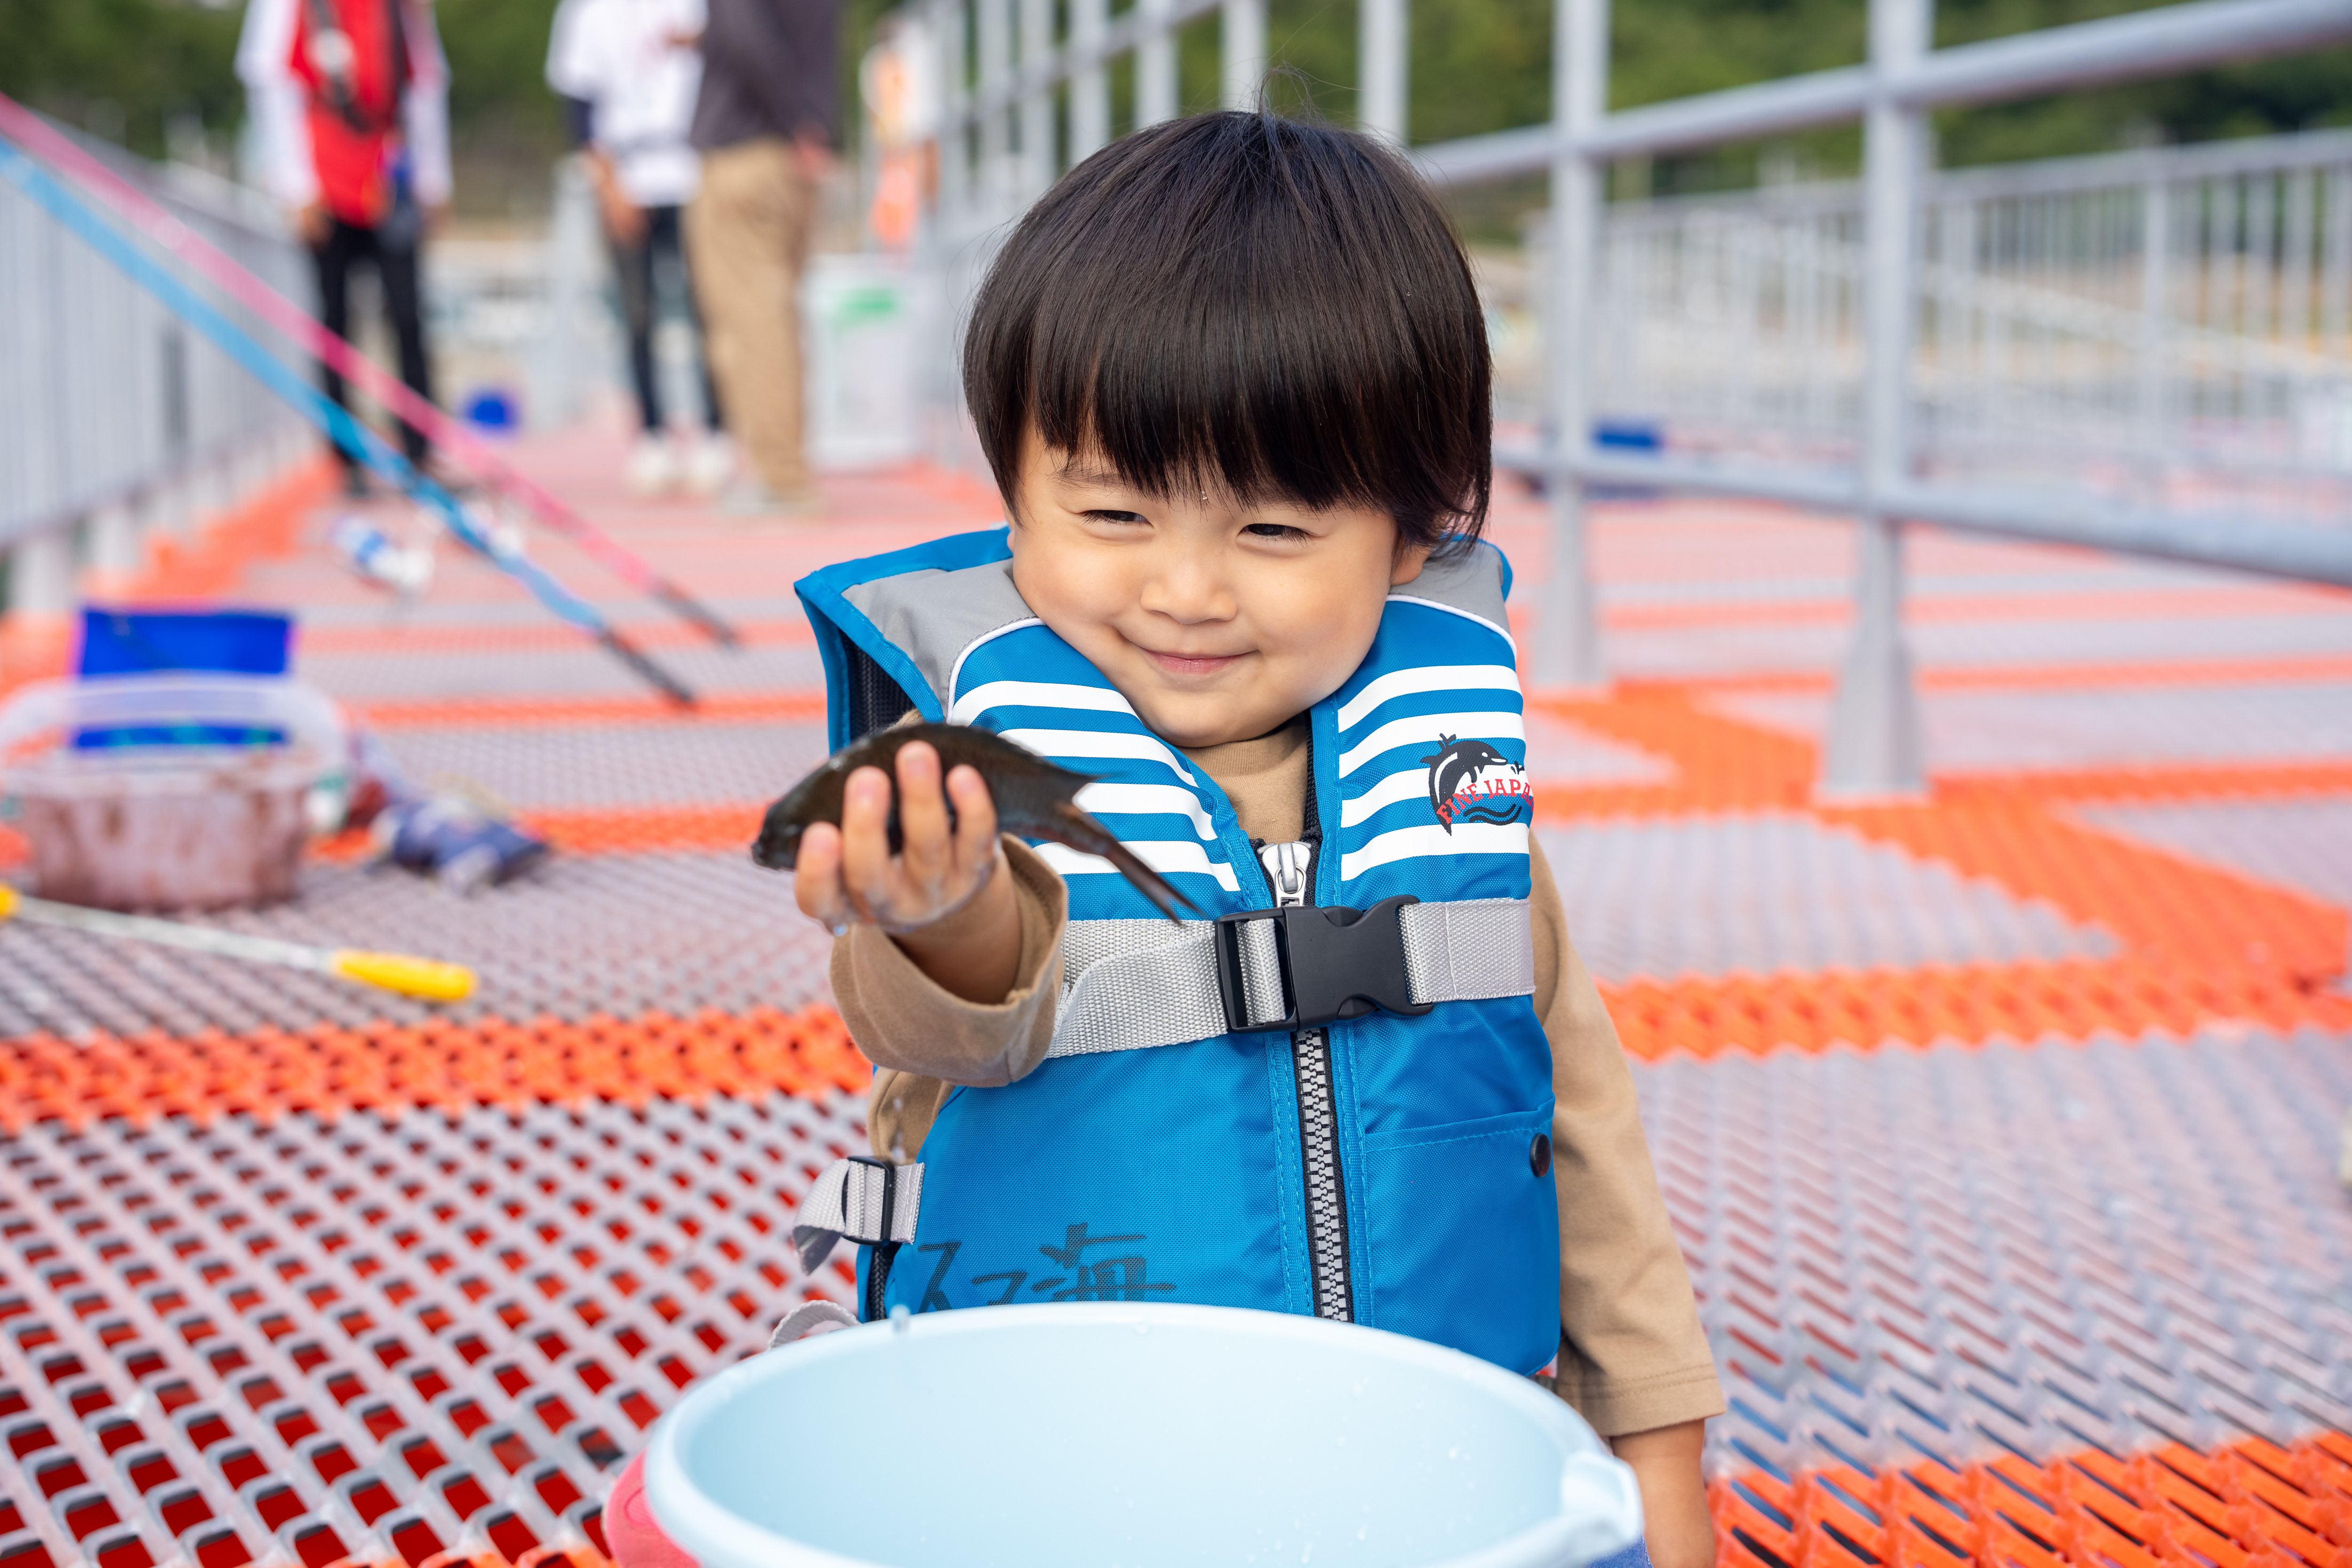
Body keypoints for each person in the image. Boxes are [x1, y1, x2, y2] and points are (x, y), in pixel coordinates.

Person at [782, 113, 1724, 1568]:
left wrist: (1662, 1477)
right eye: (1109, 510)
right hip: (1062, 1495)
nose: (1182, 589)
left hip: (1420, 1489)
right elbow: (967, 1007)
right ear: (1012, 508)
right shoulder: (983, 789)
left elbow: (1588, 1157)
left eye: (1273, 531)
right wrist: (935, 903)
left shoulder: (1453, 797)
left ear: (1410, 537)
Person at [237, 0, 451, 497]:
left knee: (408, 316)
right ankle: (346, 456)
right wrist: (294, 187)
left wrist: (435, 179)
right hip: (325, 181)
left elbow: (426, 85)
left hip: (392, 179)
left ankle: (420, 450)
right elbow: (269, 83)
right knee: (335, 323)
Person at [545, 0, 732, 498]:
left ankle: (716, 432)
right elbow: (580, 108)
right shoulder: (585, 13)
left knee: (707, 309)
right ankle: (652, 435)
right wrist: (608, 187)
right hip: (627, 172)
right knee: (636, 313)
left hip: (693, 167)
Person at [685, 0, 840, 516]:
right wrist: (811, 125)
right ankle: (782, 469)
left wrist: (793, 119)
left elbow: (744, 36)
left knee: (750, 322)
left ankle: (781, 480)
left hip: (747, 147)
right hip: (796, 156)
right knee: (774, 318)